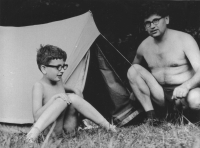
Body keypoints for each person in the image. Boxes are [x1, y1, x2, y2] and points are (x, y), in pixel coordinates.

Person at [127, 3, 200, 124]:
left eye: (156, 20)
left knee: (196, 100)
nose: (152, 26)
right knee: (133, 69)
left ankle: (187, 118)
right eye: (147, 23)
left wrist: (186, 86)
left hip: (184, 93)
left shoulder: (185, 39)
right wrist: (134, 90)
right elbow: (133, 73)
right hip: (159, 94)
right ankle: (152, 117)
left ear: (166, 19)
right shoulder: (144, 46)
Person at [26, 44, 116, 142]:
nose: (62, 70)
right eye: (58, 67)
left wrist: (75, 91)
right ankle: (33, 133)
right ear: (44, 69)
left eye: (63, 66)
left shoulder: (59, 81)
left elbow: (67, 89)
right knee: (61, 100)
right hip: (48, 134)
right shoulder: (39, 86)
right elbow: (36, 116)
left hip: (66, 132)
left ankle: (108, 126)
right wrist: (54, 99)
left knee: (72, 97)